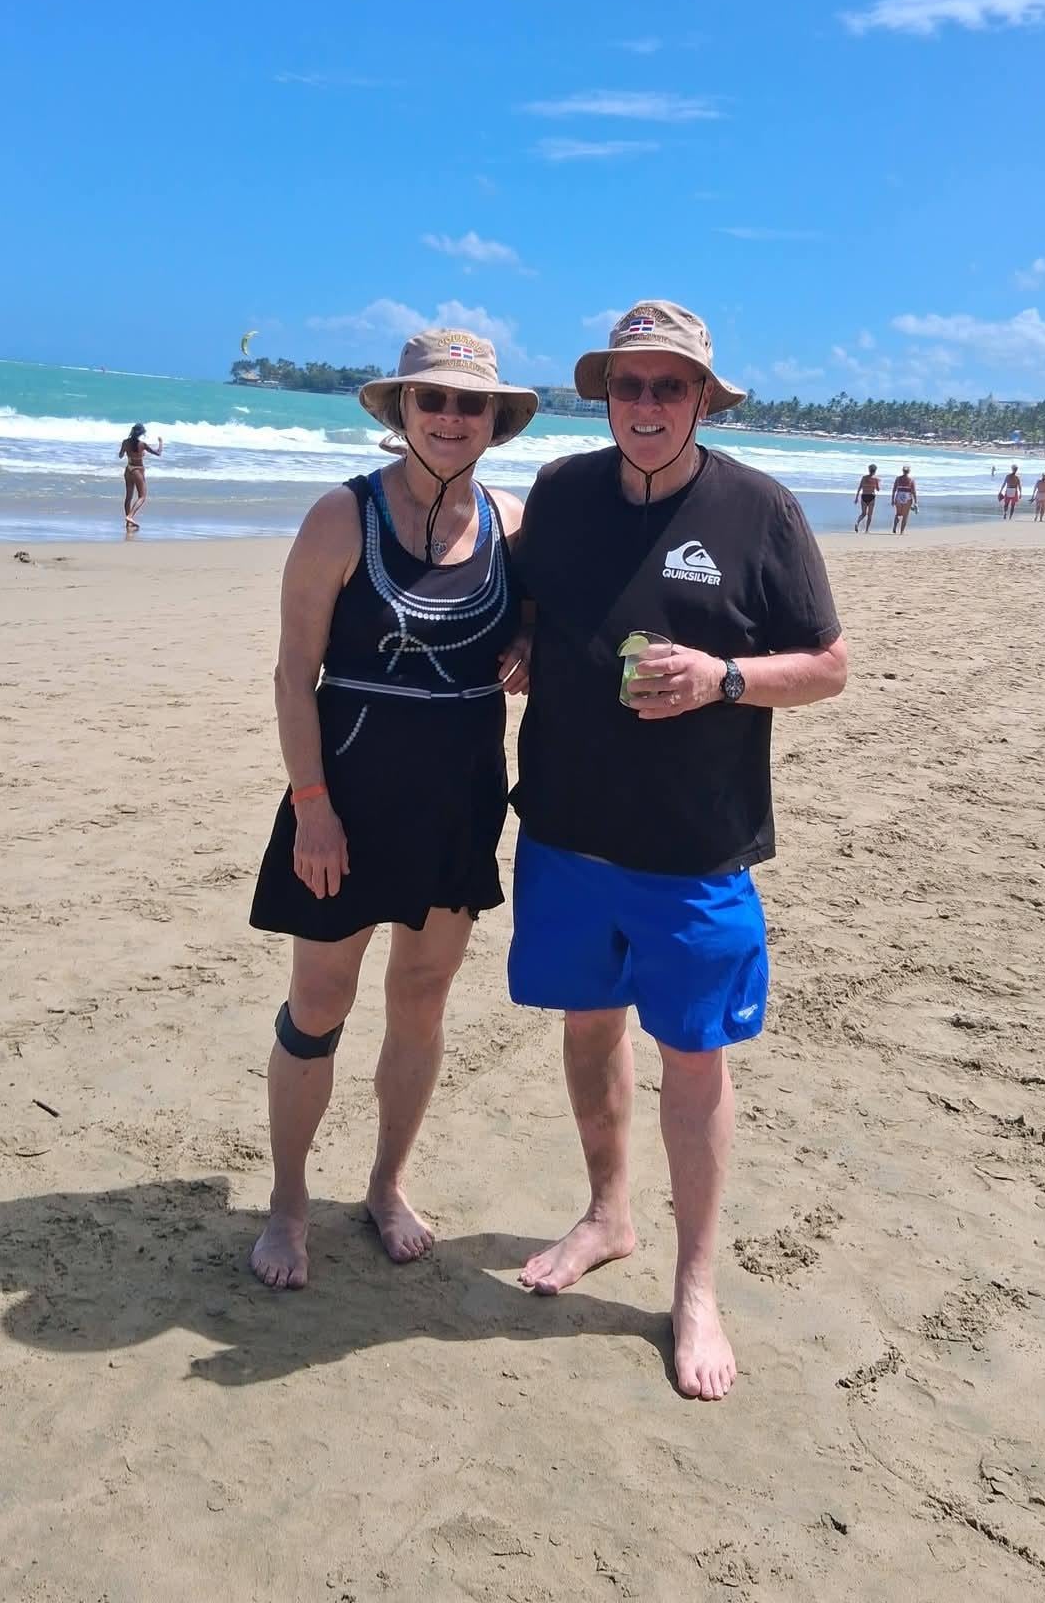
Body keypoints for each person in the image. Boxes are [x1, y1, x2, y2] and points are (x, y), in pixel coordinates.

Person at [504, 301, 847, 1402]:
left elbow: (829, 665)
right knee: (587, 1025)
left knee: (694, 1057)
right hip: (564, 829)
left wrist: (723, 678)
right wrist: (521, 644)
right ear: (604, 395)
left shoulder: (760, 510)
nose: (645, 404)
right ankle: (608, 1214)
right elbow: (528, 601)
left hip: (696, 848)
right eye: (628, 384)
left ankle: (696, 1285)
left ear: (703, 398)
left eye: (669, 385)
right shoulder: (561, 492)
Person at [245, 330, 537, 1292]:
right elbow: (294, 675)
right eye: (432, 400)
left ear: (493, 420)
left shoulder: (510, 522)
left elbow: (541, 620)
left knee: (421, 998)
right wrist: (312, 807)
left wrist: (531, 644)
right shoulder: (342, 516)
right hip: (346, 802)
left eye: (470, 403)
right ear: (402, 410)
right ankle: (288, 1205)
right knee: (318, 1004)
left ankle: (385, 1185)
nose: (451, 418)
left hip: (459, 804)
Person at [118, 423, 162, 532]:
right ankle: (130, 516)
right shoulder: (142, 444)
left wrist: (128, 452)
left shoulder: (125, 442)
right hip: (138, 470)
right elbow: (158, 453)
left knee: (128, 497)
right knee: (142, 496)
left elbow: (120, 455)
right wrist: (161, 442)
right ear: (141, 433)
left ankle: (128, 523)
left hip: (128, 470)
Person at [890, 466, 918, 535]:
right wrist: (916, 502)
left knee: (898, 514)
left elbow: (894, 489)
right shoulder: (911, 480)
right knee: (905, 516)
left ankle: (894, 527)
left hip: (899, 496)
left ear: (902, 471)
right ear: (909, 471)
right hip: (907, 497)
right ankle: (902, 532)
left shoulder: (898, 479)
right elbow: (914, 491)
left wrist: (892, 499)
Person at [854, 463, 881, 533]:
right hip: (871, 496)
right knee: (870, 514)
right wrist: (878, 483)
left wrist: (856, 498)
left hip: (864, 496)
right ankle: (866, 530)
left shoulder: (864, 477)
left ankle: (857, 522)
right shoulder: (876, 479)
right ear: (875, 471)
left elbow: (859, 487)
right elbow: (878, 489)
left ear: (869, 470)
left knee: (863, 513)